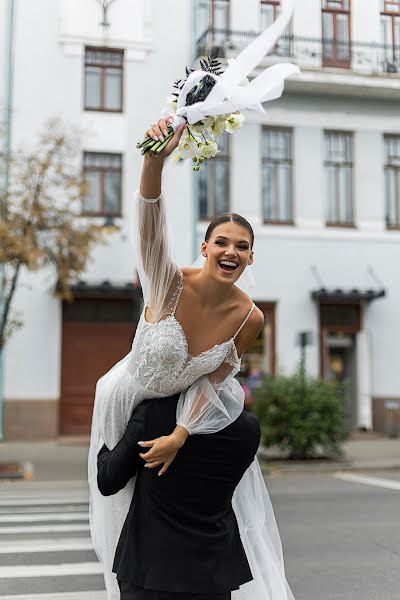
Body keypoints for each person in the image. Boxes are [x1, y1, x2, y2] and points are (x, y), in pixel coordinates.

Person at [88, 116, 295, 600]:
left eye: (242, 247)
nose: (231, 251)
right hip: (127, 403)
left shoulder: (250, 319)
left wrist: (181, 435)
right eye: (221, 242)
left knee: (173, 513)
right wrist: (154, 159)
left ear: (250, 259)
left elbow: (213, 382)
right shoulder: (169, 282)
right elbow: (149, 223)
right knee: (121, 509)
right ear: (205, 248)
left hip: (181, 412)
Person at [97, 391, 261, 599]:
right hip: (213, 570)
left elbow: (108, 480)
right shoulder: (247, 426)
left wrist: (108, 435)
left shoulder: (153, 413)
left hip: (150, 569)